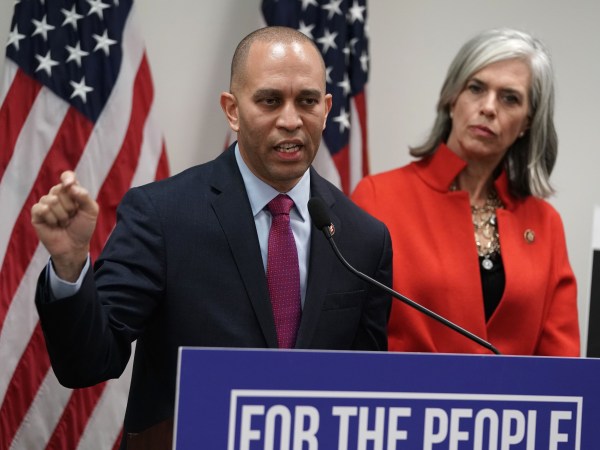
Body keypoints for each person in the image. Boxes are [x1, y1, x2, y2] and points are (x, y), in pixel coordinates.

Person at [31, 26, 392, 446]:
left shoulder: (364, 238)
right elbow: (89, 363)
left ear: (327, 108)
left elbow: (365, 392)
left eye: (307, 101)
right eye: (270, 100)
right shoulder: (162, 215)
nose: (291, 120)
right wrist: (71, 265)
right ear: (232, 109)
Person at [352, 28, 579, 356]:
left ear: (527, 122)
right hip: (407, 402)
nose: (488, 108)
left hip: (513, 407)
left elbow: (561, 367)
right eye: (476, 88)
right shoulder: (378, 197)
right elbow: (351, 338)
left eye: (509, 98)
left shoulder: (545, 224)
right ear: (451, 97)